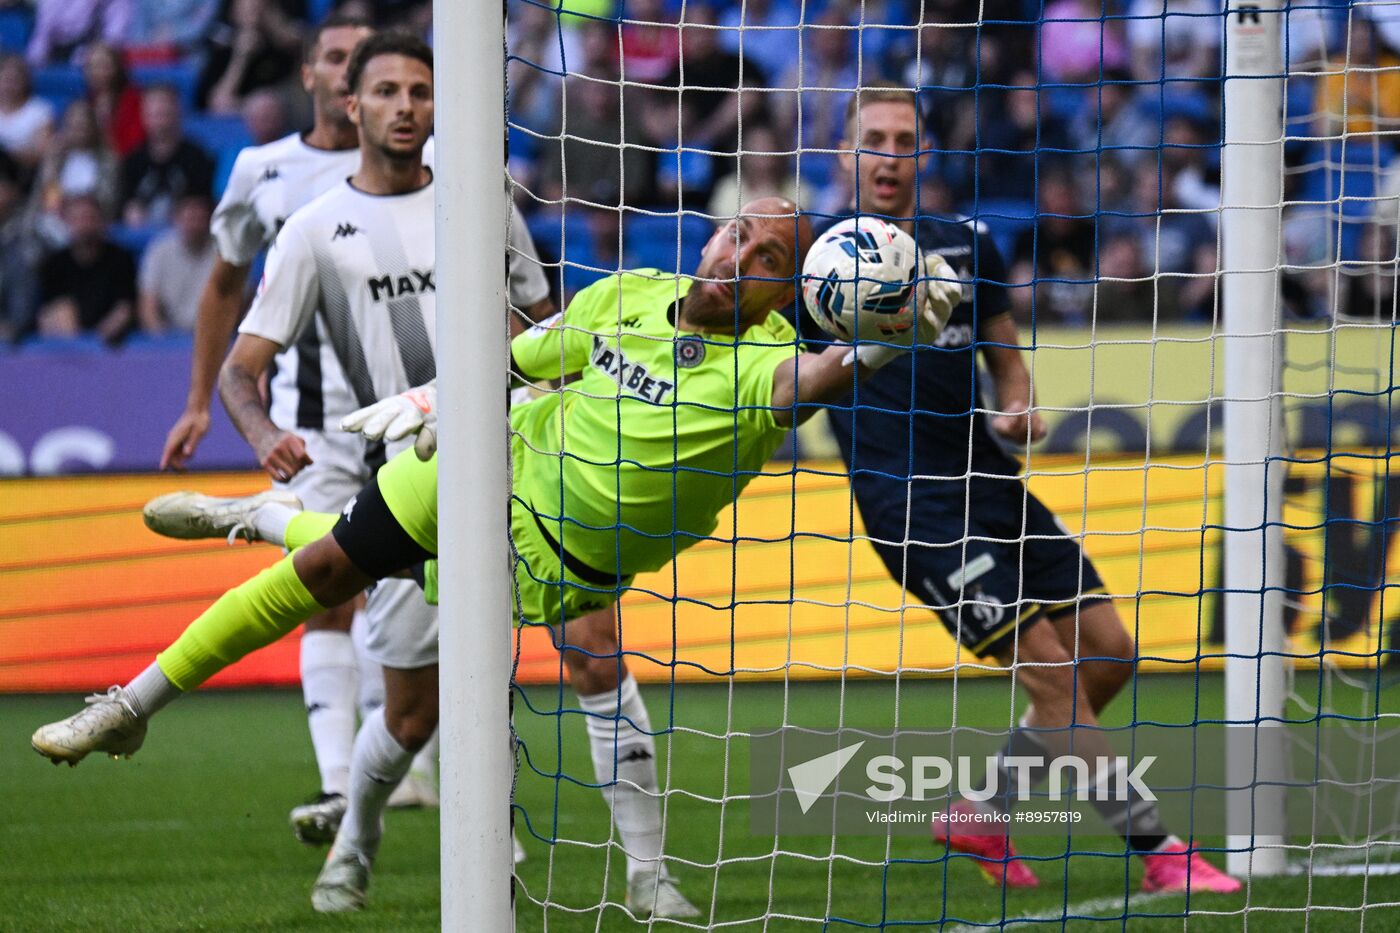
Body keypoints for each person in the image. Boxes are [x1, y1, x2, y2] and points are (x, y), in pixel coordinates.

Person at [29, 194, 947, 917]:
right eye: (737, 235)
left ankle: (260, 518)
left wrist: (882, 334)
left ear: (789, 294)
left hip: (548, 565)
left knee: (355, 576)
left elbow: (812, 380)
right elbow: (523, 360)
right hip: (487, 469)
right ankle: (130, 705)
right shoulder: (623, 293)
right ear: (711, 235)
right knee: (327, 578)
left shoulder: (768, 365)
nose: (738, 259)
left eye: (769, 260)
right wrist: (434, 400)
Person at [816, 82, 1241, 895]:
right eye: (873, 137)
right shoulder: (821, 258)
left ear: (924, 153)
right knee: (1049, 671)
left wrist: (1018, 410)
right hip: (913, 503)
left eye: (905, 139)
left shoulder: (968, 245)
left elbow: (1006, 363)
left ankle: (985, 808)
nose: (889, 155)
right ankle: (1160, 852)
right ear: (847, 152)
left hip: (989, 480)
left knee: (1110, 653)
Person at [35, 193, 136, 344]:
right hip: (69, 338)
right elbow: (48, 311)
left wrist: (97, 341)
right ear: (68, 222)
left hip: (110, 338)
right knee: (62, 312)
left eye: (90, 217)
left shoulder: (120, 259)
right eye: (79, 219)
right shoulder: (55, 264)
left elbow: (125, 307)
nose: (85, 225)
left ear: (101, 221)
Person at [118, 85, 215, 226]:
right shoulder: (132, 161)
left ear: (177, 113)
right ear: (144, 116)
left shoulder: (197, 158)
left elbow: (204, 205)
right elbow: (124, 206)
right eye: (154, 114)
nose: (160, 121)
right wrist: (130, 211)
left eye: (164, 113)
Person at [136, 193, 217, 335]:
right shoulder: (159, 250)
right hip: (168, 337)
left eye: (200, 219)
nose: (194, 225)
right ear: (176, 219)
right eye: (189, 219)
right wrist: (160, 339)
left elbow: (238, 301)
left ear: (210, 221)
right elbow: (148, 302)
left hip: (213, 334)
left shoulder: (224, 252)